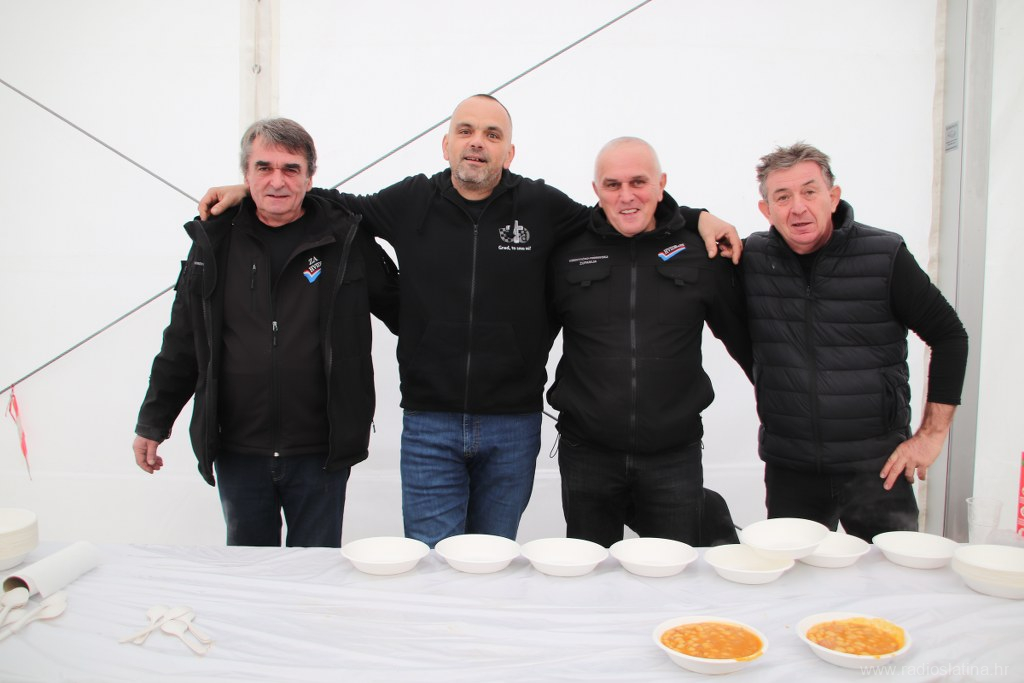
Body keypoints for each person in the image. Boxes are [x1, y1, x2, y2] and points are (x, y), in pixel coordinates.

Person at [199, 95, 742, 547]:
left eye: (491, 133)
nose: (477, 141)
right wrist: (251, 193)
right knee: (433, 565)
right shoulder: (412, 199)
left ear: (510, 150)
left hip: (513, 424)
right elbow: (335, 205)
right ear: (447, 145)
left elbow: (623, 216)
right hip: (429, 423)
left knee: (493, 560)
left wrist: (695, 217)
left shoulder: (542, 206)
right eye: (465, 131)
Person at [133, 118, 400, 548]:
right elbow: (183, 339)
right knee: (247, 576)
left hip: (321, 452)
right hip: (239, 450)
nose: (278, 181)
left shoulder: (346, 239)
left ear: (310, 177)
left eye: (291, 169)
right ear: (246, 174)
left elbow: (406, 313)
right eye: (264, 168)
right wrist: (154, 421)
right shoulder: (214, 242)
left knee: (314, 574)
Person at [743, 142, 968, 541]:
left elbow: (949, 335)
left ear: (833, 197)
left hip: (878, 467)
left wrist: (931, 437)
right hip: (791, 469)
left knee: (893, 573)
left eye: (809, 192)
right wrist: (701, 219)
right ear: (767, 210)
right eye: (783, 197)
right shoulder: (752, 259)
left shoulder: (884, 255)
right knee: (797, 575)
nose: (798, 207)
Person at [546, 137, 753, 547]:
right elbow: (528, 337)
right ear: (596, 190)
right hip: (587, 454)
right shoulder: (567, 251)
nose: (626, 196)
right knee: (589, 571)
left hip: (673, 457)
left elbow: (747, 343)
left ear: (661, 184)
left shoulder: (701, 251)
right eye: (613, 185)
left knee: (672, 572)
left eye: (638, 182)